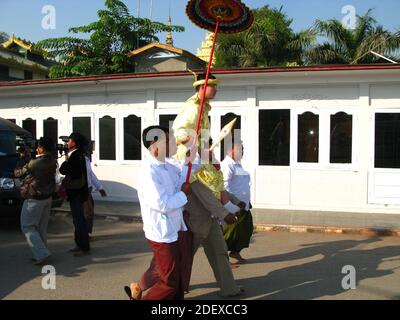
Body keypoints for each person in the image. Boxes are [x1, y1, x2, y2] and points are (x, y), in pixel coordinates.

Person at [124, 126, 192, 300]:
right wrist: (184, 193)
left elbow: (182, 175)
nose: (173, 143)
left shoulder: (166, 166)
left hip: (174, 228)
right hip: (161, 233)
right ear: (155, 145)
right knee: (169, 281)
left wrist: (191, 150)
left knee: (175, 276)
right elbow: (162, 203)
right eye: (168, 140)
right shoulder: (149, 173)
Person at [14, 137, 57, 265]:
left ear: (42, 148)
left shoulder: (35, 163)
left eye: (38, 146)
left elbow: (18, 173)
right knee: (41, 227)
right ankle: (41, 253)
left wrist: (22, 159)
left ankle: (42, 253)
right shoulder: (52, 160)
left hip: (34, 198)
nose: (37, 148)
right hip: (47, 197)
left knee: (27, 226)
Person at [221, 141, 253, 263]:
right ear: (231, 150)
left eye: (242, 149)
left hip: (243, 204)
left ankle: (235, 252)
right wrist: (230, 206)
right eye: (240, 149)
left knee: (246, 229)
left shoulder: (238, 164)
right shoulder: (227, 165)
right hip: (234, 206)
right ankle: (224, 259)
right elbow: (224, 187)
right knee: (229, 234)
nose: (242, 151)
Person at [59, 132, 90, 256]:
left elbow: (64, 170)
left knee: (79, 220)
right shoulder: (78, 155)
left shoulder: (76, 156)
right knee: (77, 220)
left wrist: (66, 162)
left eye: (69, 141)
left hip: (76, 192)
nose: (67, 143)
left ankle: (84, 247)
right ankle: (79, 244)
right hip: (78, 191)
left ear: (74, 143)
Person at [84, 154, 107, 239]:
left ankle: (86, 234)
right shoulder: (75, 158)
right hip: (82, 191)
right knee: (87, 213)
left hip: (88, 190)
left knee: (89, 213)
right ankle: (83, 236)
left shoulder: (86, 159)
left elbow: (90, 174)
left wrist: (100, 187)